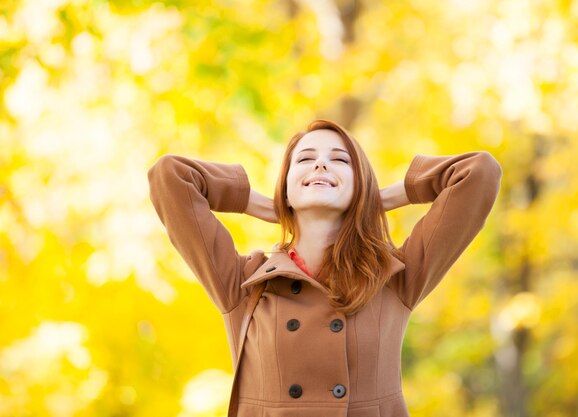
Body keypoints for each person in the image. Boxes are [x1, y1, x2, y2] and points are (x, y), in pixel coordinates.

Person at [147, 119, 502, 416]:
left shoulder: (394, 277)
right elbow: (169, 176)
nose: (320, 165)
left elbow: (479, 172)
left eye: (340, 161)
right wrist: (261, 204)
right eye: (304, 160)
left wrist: (377, 199)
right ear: (285, 187)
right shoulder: (243, 285)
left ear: (359, 184)